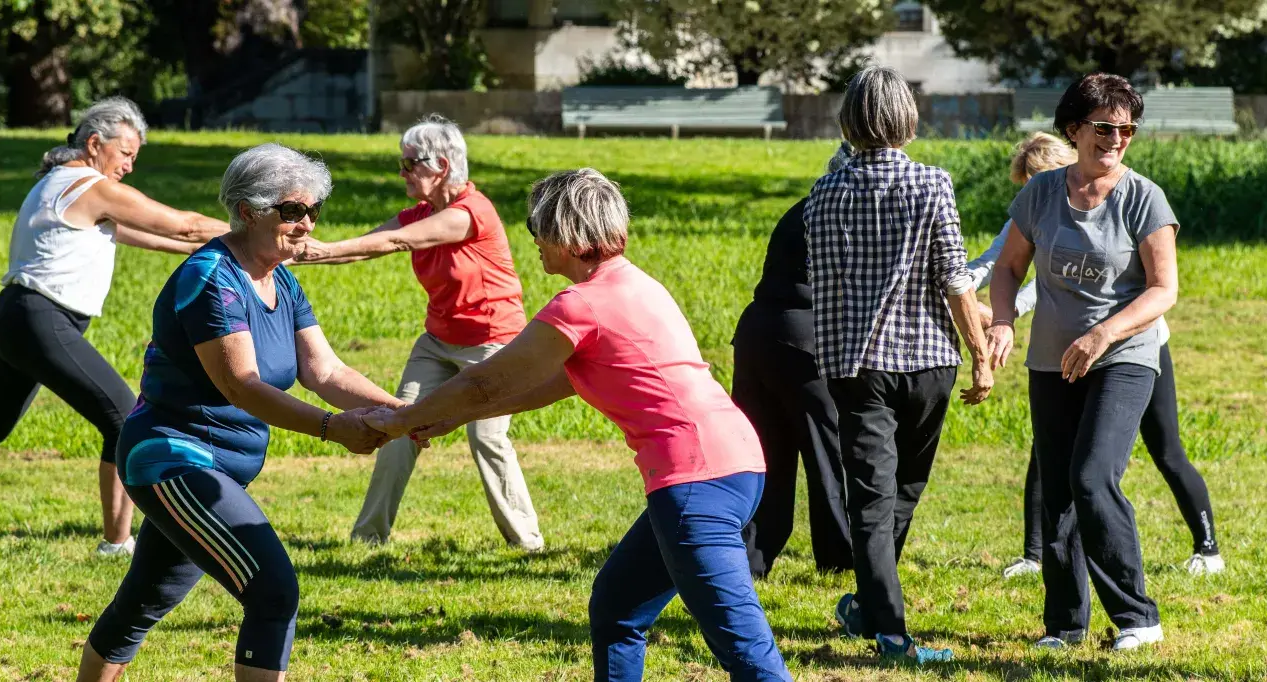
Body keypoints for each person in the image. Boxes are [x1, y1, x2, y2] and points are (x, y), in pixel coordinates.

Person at [364, 168, 790, 682]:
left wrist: (404, 419)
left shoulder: (579, 305)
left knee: (747, 654)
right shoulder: (635, 284)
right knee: (617, 607)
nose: (533, 240)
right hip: (736, 464)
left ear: (565, 234)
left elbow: (487, 380)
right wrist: (453, 417)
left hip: (697, 481)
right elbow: (557, 382)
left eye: (537, 228)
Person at [77, 143, 401, 682]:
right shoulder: (212, 277)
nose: (306, 224)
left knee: (143, 602)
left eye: (313, 210)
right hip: (172, 459)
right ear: (249, 211)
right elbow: (242, 386)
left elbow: (325, 370)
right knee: (273, 592)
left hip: (219, 468)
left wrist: (402, 412)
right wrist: (331, 428)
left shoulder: (282, 279)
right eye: (292, 211)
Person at [0, 97, 230, 559]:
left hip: (16, 316)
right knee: (125, 417)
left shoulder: (59, 182)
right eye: (125, 153)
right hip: (40, 320)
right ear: (94, 144)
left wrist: (222, 249)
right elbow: (186, 226)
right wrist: (253, 231)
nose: (129, 166)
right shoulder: (90, 186)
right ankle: (117, 543)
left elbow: (155, 236)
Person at [987, 73, 1179, 652]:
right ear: (1073, 129)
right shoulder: (1042, 193)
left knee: (1093, 477)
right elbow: (1008, 268)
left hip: (1124, 355)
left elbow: (1163, 289)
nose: (1116, 138)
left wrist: (1104, 334)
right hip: (1052, 360)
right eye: (1104, 127)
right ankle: (1065, 626)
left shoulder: (1144, 198)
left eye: (1127, 129)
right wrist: (1002, 320)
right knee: (1058, 493)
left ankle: (1137, 618)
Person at [810, 66, 994, 666]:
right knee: (904, 490)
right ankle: (888, 631)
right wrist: (980, 356)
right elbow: (955, 279)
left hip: (855, 366)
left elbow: (824, 285)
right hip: (928, 361)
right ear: (908, 121)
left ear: (848, 122)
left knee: (873, 500)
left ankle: (875, 614)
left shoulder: (823, 194)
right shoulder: (932, 184)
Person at [978, 133, 1223, 581]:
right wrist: (968, 292)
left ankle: (1207, 546)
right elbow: (1002, 260)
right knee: (1048, 456)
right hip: (1069, 348)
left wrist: (1012, 311)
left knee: (1165, 449)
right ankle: (1036, 554)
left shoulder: (1116, 200)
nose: (1034, 193)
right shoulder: (1038, 203)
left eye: (1036, 181)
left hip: (1136, 349)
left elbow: (1058, 285)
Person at [295, 115, 543, 551]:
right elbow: (367, 246)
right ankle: (368, 537)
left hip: (492, 342)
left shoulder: (470, 213)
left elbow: (398, 242)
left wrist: (325, 249)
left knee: (486, 436)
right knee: (399, 422)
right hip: (438, 342)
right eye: (402, 164)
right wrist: (295, 254)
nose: (403, 173)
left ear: (441, 166)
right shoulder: (421, 213)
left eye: (410, 164)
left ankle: (527, 542)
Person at [731, 144, 855, 580]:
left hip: (757, 336)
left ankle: (751, 557)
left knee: (765, 454)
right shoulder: (845, 214)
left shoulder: (800, 209)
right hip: (805, 341)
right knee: (829, 455)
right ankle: (839, 558)